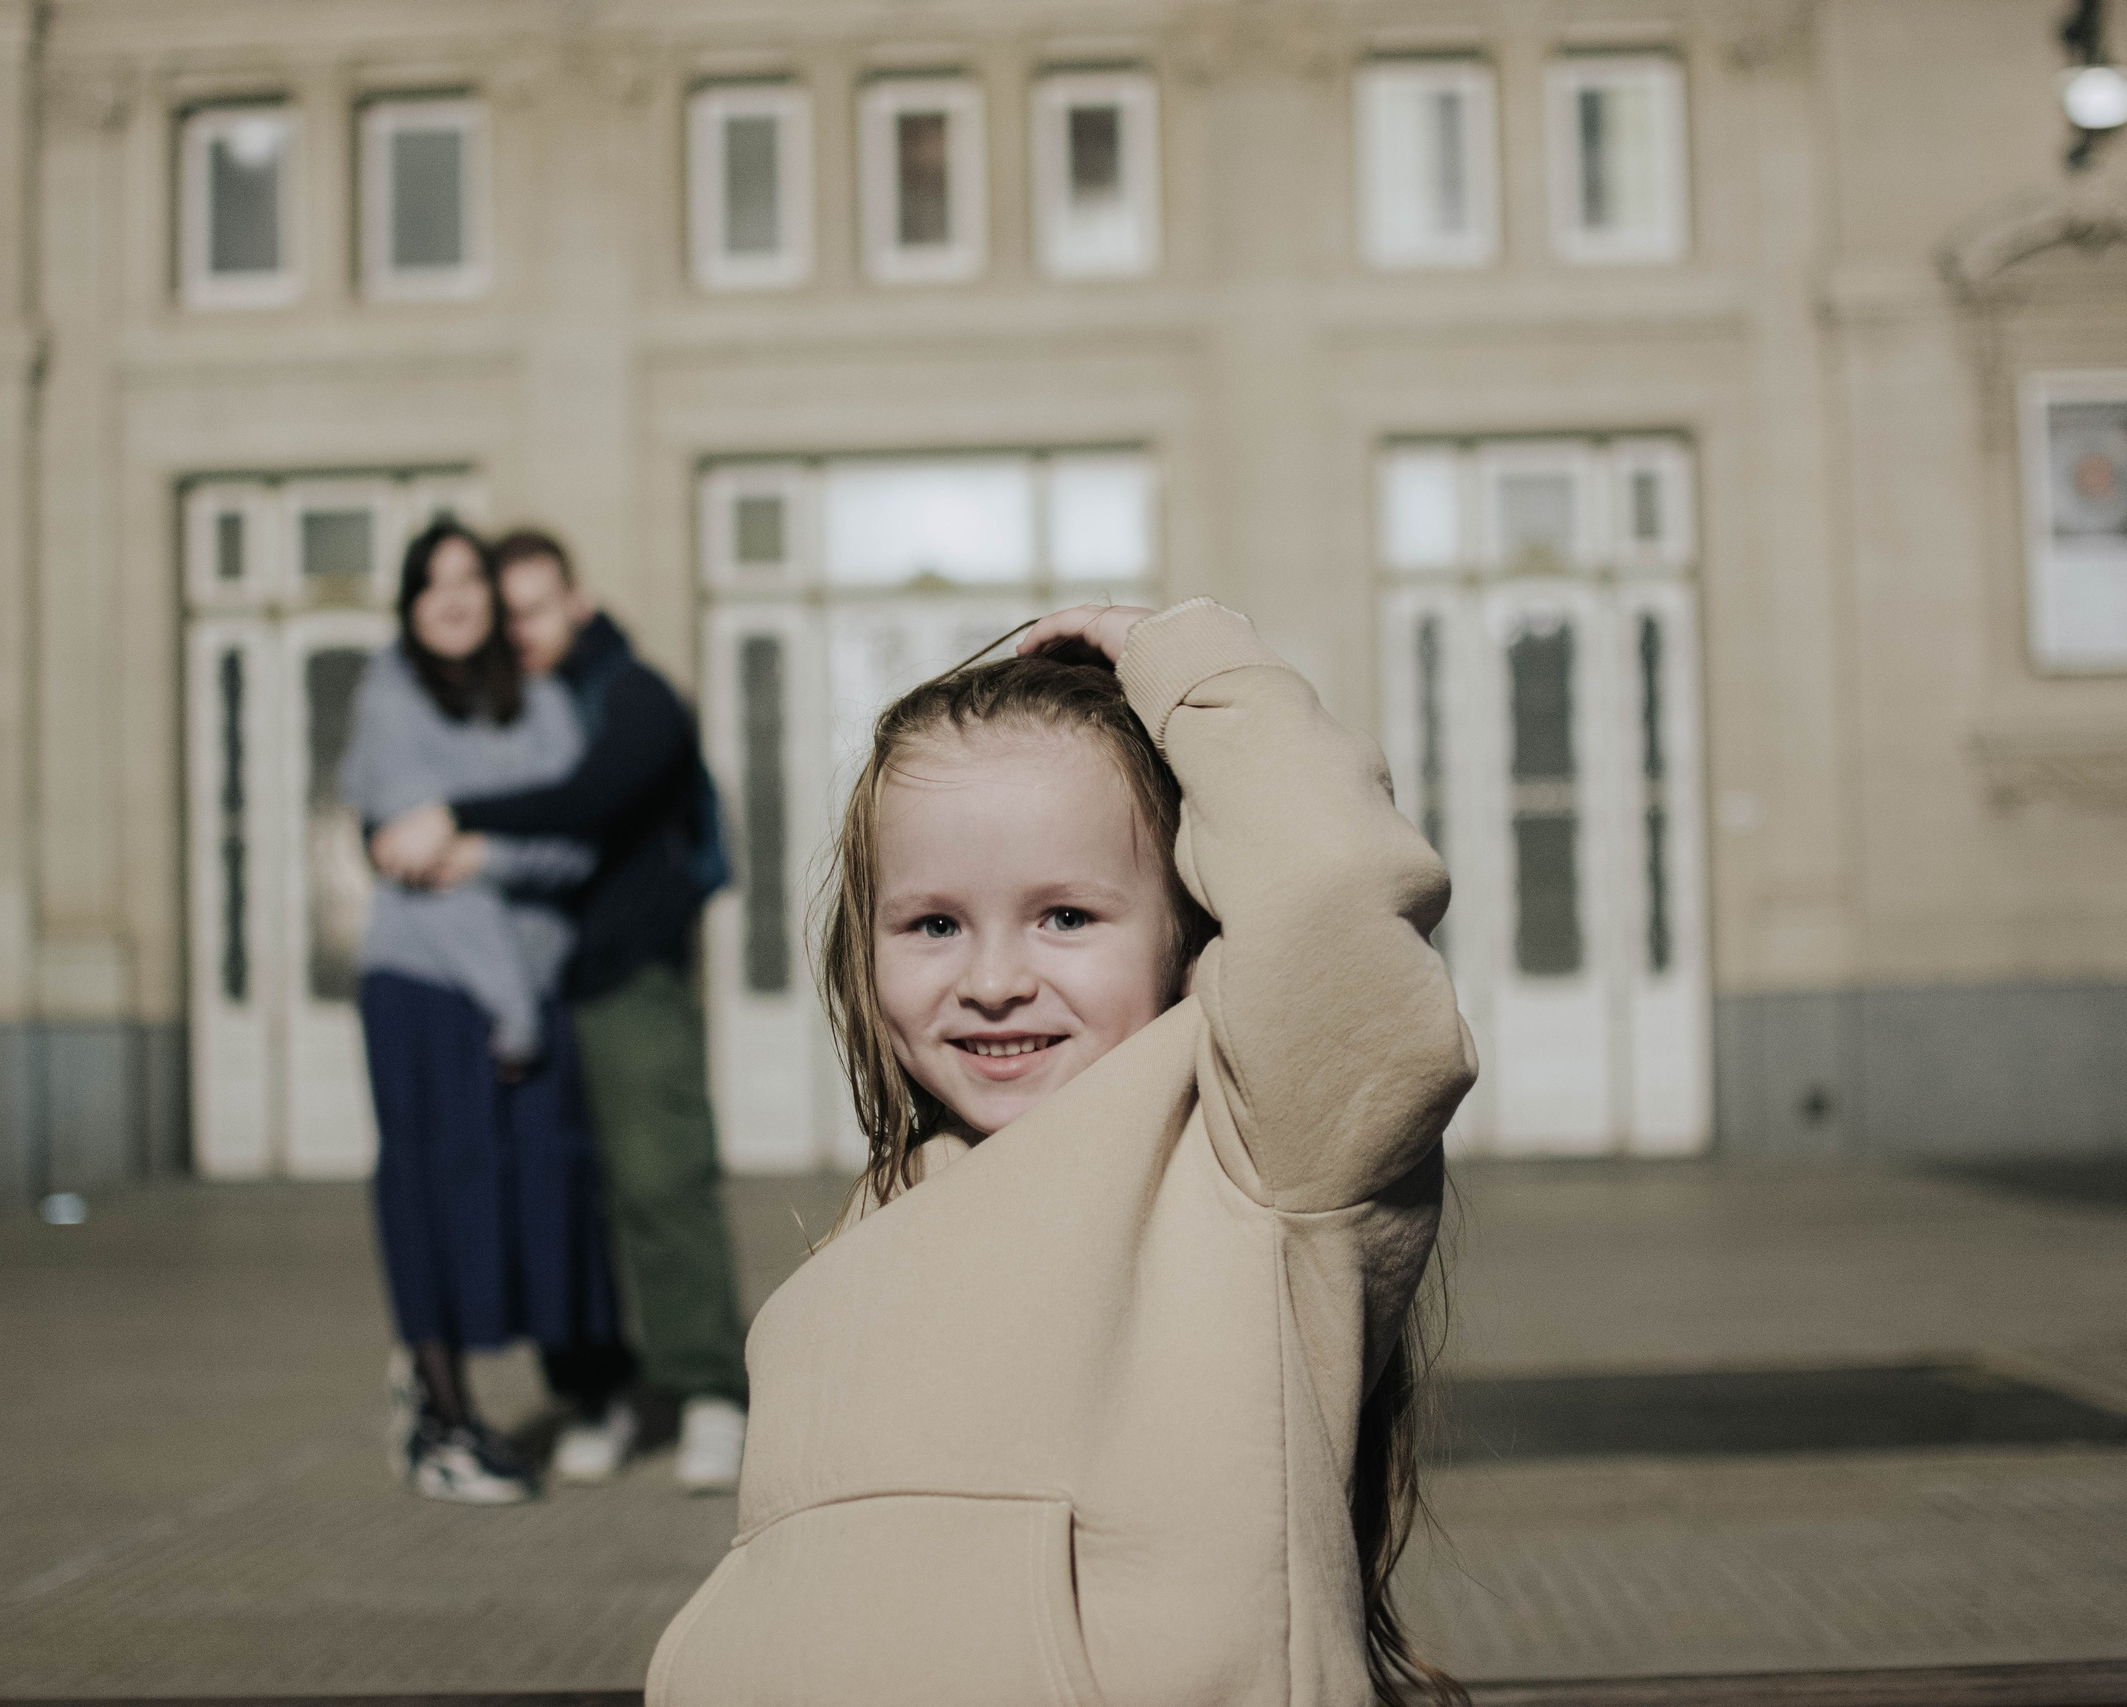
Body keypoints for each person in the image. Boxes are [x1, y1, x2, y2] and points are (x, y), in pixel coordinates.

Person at [643, 600, 1477, 1707]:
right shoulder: (872, 1220)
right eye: (934, 924)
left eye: (1067, 917)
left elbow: (1333, 891)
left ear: (1185, 933)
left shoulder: (1260, 1150)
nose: (992, 980)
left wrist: (1189, 667)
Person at [370, 527, 752, 1493]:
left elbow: (589, 798)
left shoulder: (631, 692)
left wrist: (461, 821)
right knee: (557, 1201)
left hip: (627, 980)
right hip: (536, 986)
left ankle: (710, 1391)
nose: (520, 628)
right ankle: (595, 1389)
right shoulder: (506, 703)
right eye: (508, 613)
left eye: (535, 607)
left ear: (578, 602)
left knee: (659, 1181)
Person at [340, 519, 640, 1504]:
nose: (456, 598)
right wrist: (510, 999)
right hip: (427, 986)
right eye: (433, 584)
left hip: (524, 995)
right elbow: (415, 870)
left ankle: (583, 1392)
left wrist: (475, 846)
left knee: (538, 1193)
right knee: (428, 1195)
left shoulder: (540, 703)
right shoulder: (392, 695)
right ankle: (444, 1420)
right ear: (410, 605)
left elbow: (574, 844)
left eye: (470, 578)